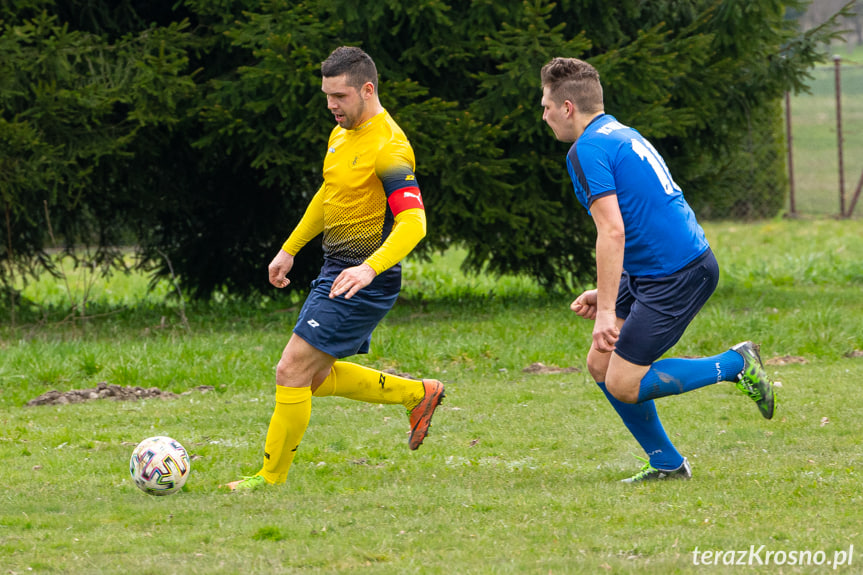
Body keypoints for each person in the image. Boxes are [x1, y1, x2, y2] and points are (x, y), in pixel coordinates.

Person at [539, 57, 775, 482]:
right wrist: (607, 292)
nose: (544, 116)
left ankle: (736, 364)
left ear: (568, 107)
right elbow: (640, 217)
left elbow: (612, 231)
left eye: (546, 106)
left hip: (677, 274)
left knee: (624, 383)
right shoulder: (618, 133)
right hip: (654, 270)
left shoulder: (586, 150)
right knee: (600, 365)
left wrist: (609, 309)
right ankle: (667, 463)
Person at [225, 46, 444, 491]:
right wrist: (289, 249)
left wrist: (369, 269)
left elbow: (414, 223)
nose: (331, 105)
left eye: (340, 96)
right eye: (326, 96)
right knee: (316, 377)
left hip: (365, 276)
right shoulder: (340, 135)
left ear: (367, 89)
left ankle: (270, 479)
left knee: (291, 371)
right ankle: (417, 394)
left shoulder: (390, 147)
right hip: (335, 268)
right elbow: (330, 197)